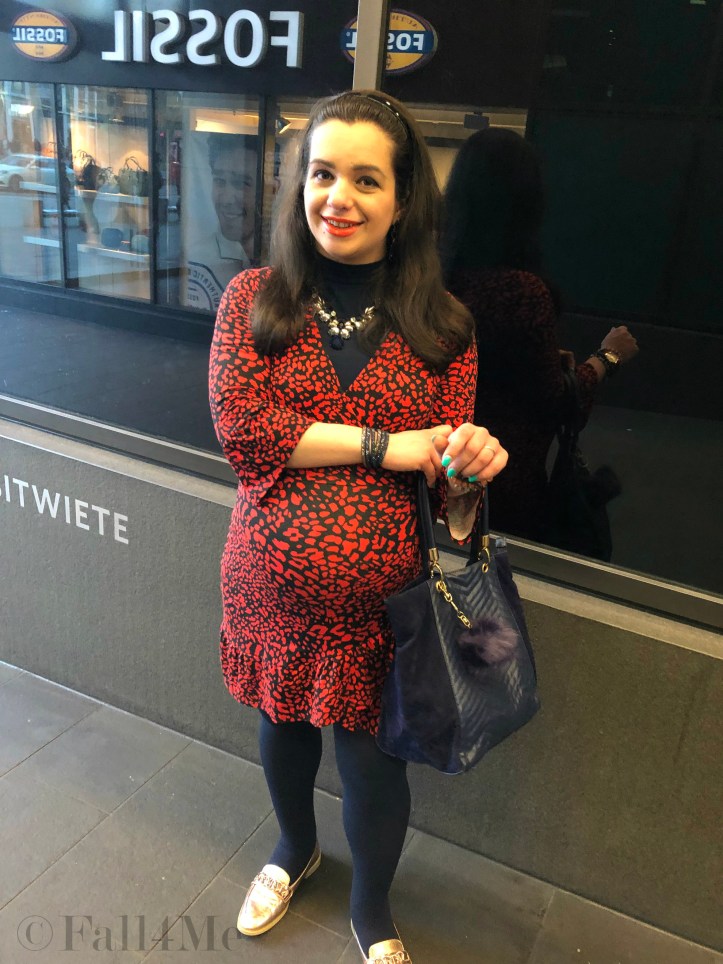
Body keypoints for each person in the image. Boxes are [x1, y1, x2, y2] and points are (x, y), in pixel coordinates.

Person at [208, 90, 509, 964]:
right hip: (269, 588)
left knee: (375, 763)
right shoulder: (254, 300)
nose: (336, 197)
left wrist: (466, 471)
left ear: (403, 198)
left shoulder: (444, 327)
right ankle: (291, 850)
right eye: (321, 174)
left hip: (385, 610)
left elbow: (448, 500)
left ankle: (372, 909)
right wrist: (387, 444)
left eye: (365, 180)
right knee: (282, 731)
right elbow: (245, 432)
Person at [440, 127, 639, 543]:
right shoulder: (522, 290)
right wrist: (608, 357)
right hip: (503, 474)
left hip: (443, 465)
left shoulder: (437, 277)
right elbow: (556, 402)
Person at [185, 133, 257, 310]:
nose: (227, 199)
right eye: (220, 181)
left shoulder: (285, 259)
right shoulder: (199, 257)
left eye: (241, 183)